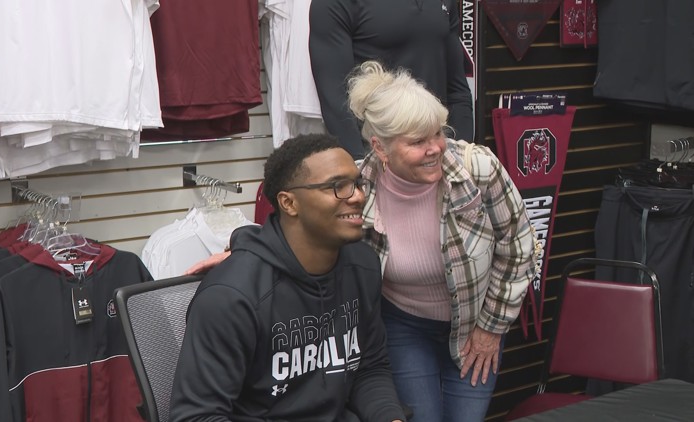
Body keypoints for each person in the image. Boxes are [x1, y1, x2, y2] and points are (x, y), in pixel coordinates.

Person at [346, 60, 536, 421]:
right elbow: (305, 233)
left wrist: (491, 329)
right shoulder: (359, 185)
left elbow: (519, 246)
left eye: (438, 133)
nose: (436, 148)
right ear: (381, 147)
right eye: (418, 141)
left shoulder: (477, 169)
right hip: (403, 326)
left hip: (476, 323)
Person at [170, 133, 407, 422]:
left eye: (357, 184)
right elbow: (197, 416)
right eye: (337, 186)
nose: (357, 196)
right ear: (289, 203)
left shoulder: (363, 264)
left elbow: (369, 368)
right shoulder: (231, 297)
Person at [308, 0, 474, 160]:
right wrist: (360, 168)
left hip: (437, 150)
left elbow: (456, 88)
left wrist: (460, 153)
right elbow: (335, 100)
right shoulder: (333, 3)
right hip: (379, 155)